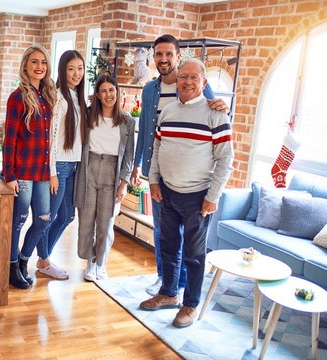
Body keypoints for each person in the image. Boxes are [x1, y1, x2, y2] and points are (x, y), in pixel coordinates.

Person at [138, 58, 234, 328]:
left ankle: (190, 304)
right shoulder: (167, 112)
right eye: (184, 77)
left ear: (204, 82)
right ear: (177, 80)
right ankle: (168, 293)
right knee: (168, 248)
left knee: (193, 254)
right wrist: (153, 181)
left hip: (197, 197)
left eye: (194, 77)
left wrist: (212, 197)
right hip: (166, 193)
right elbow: (157, 150)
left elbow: (226, 159)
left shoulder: (215, 114)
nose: (188, 82)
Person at [2, 44, 57, 289]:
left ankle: (24, 259)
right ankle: (11, 266)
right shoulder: (17, 97)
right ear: (25, 65)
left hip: (42, 172)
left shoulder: (46, 98)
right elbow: (9, 139)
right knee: (18, 220)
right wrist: (9, 174)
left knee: (44, 218)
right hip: (22, 172)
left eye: (43, 62)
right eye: (34, 62)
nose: (39, 67)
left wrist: (52, 172)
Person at [75, 75, 135, 281]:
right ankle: (89, 261)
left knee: (105, 223)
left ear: (117, 93)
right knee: (86, 221)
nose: (108, 95)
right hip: (89, 169)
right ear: (97, 95)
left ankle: (100, 263)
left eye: (112, 90)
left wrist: (124, 183)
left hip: (113, 172)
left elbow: (129, 155)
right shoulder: (89, 115)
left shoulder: (127, 121)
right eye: (103, 91)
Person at [34, 50, 87, 280]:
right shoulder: (57, 98)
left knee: (67, 216)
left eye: (80, 68)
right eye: (71, 69)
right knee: (51, 216)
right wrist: (52, 172)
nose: (76, 73)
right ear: (62, 71)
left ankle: (43, 257)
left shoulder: (77, 97)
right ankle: (44, 260)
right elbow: (51, 138)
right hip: (59, 167)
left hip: (74, 165)